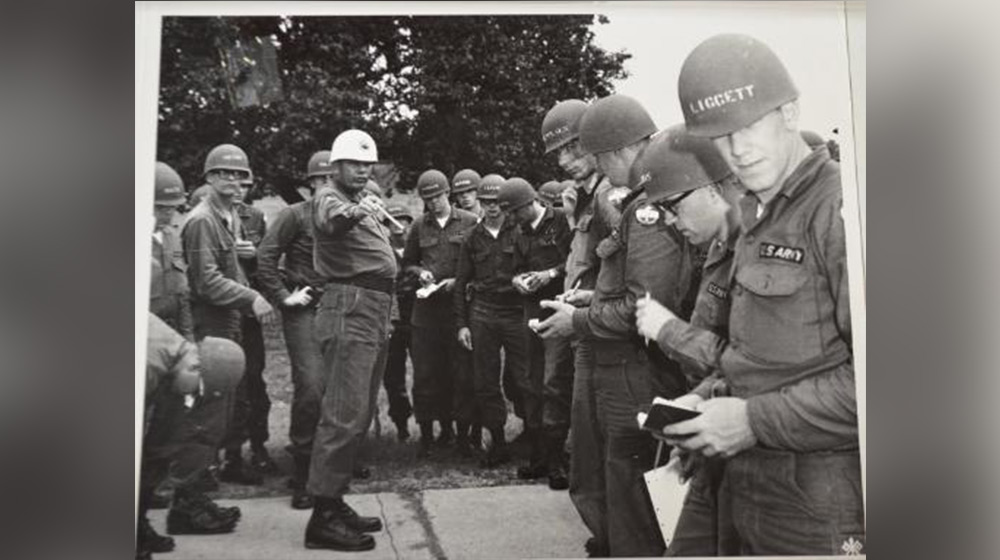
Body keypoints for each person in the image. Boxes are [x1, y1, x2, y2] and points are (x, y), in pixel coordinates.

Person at [638, 33, 863, 556]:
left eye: (750, 126)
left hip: (816, 497)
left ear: (789, 112)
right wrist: (706, 401)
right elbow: (761, 357)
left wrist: (749, 420)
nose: (738, 150)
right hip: (746, 479)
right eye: (721, 138)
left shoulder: (840, 209)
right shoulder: (759, 217)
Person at [536, 95, 699, 557]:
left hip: (632, 368)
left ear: (620, 149)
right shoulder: (632, 205)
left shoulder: (645, 209)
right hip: (618, 364)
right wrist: (593, 297)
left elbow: (644, 308)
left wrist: (579, 320)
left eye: (597, 154)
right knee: (616, 479)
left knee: (633, 495)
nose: (598, 166)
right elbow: (628, 289)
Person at [623, 125, 742, 557]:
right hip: (715, 435)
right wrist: (694, 404)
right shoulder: (717, 248)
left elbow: (752, 361)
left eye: (673, 207)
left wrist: (667, 330)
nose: (671, 221)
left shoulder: (752, 251)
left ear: (711, 188)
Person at [179, 144, 276, 528]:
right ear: (210, 178)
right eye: (227, 174)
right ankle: (187, 505)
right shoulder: (203, 220)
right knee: (203, 417)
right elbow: (205, 282)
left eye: (241, 175)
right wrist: (251, 296)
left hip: (227, 327)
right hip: (211, 328)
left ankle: (197, 498)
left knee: (219, 415)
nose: (237, 181)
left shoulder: (227, 215)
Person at [305, 129, 393, 552]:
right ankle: (322, 514)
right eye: (355, 164)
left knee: (356, 411)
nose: (362, 170)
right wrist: (358, 210)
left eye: (367, 164)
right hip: (350, 306)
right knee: (342, 413)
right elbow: (331, 221)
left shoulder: (356, 198)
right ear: (335, 166)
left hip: (371, 307)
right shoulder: (329, 195)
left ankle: (334, 499)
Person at [539, 98, 619, 556]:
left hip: (600, 330)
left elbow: (626, 264)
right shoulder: (589, 195)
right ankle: (608, 534)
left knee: (600, 446)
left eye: (573, 149)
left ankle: (617, 538)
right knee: (587, 443)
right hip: (586, 321)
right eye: (559, 155)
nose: (566, 162)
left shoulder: (609, 194)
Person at [255, 150, 333, 510]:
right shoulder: (294, 215)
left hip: (341, 310)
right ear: (313, 182)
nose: (330, 187)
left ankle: (332, 463)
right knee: (312, 386)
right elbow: (265, 257)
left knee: (338, 388)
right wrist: (284, 297)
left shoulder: (346, 217)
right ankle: (302, 471)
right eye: (325, 180)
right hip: (305, 310)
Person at [138, 314, 245, 559]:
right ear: (196, 367)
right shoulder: (146, 365)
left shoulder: (181, 354)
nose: (192, 400)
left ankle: (137, 525)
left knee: (158, 449)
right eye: (198, 391)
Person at [498, 178, 573, 490]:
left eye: (516, 212)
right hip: (531, 313)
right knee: (531, 381)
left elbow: (576, 261)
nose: (512, 219)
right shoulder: (518, 232)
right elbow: (514, 268)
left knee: (554, 382)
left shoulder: (562, 222)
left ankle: (557, 461)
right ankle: (539, 456)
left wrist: (550, 274)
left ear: (530, 203)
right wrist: (519, 281)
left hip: (560, 309)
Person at [402, 169, 480, 458]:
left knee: (461, 375)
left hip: (459, 312)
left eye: (437, 196)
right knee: (426, 375)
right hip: (426, 315)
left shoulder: (471, 222)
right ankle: (427, 437)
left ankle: (461, 436)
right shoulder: (419, 227)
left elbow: (479, 266)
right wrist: (420, 272)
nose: (433, 203)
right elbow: (407, 263)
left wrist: (458, 283)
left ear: (448, 193)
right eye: (427, 198)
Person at [452, 177, 527, 468]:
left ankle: (535, 436)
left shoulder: (519, 230)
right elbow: (460, 284)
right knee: (485, 380)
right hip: (483, 312)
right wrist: (462, 324)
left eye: (497, 203)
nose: (492, 208)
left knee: (524, 377)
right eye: (486, 203)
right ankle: (497, 442)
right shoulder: (472, 237)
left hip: (515, 310)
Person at [220, 171, 274, 484]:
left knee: (255, 381)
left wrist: (254, 256)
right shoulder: (210, 214)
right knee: (228, 383)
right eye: (234, 183)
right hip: (223, 311)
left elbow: (267, 260)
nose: (239, 190)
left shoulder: (256, 218)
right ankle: (229, 453)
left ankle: (259, 447)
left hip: (250, 315)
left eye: (245, 184)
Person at [382, 202, 417, 442]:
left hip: (417, 318)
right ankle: (401, 423)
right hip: (392, 319)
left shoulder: (417, 251)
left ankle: (429, 426)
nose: (398, 226)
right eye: (393, 221)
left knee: (426, 373)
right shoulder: (382, 250)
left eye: (403, 220)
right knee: (393, 376)